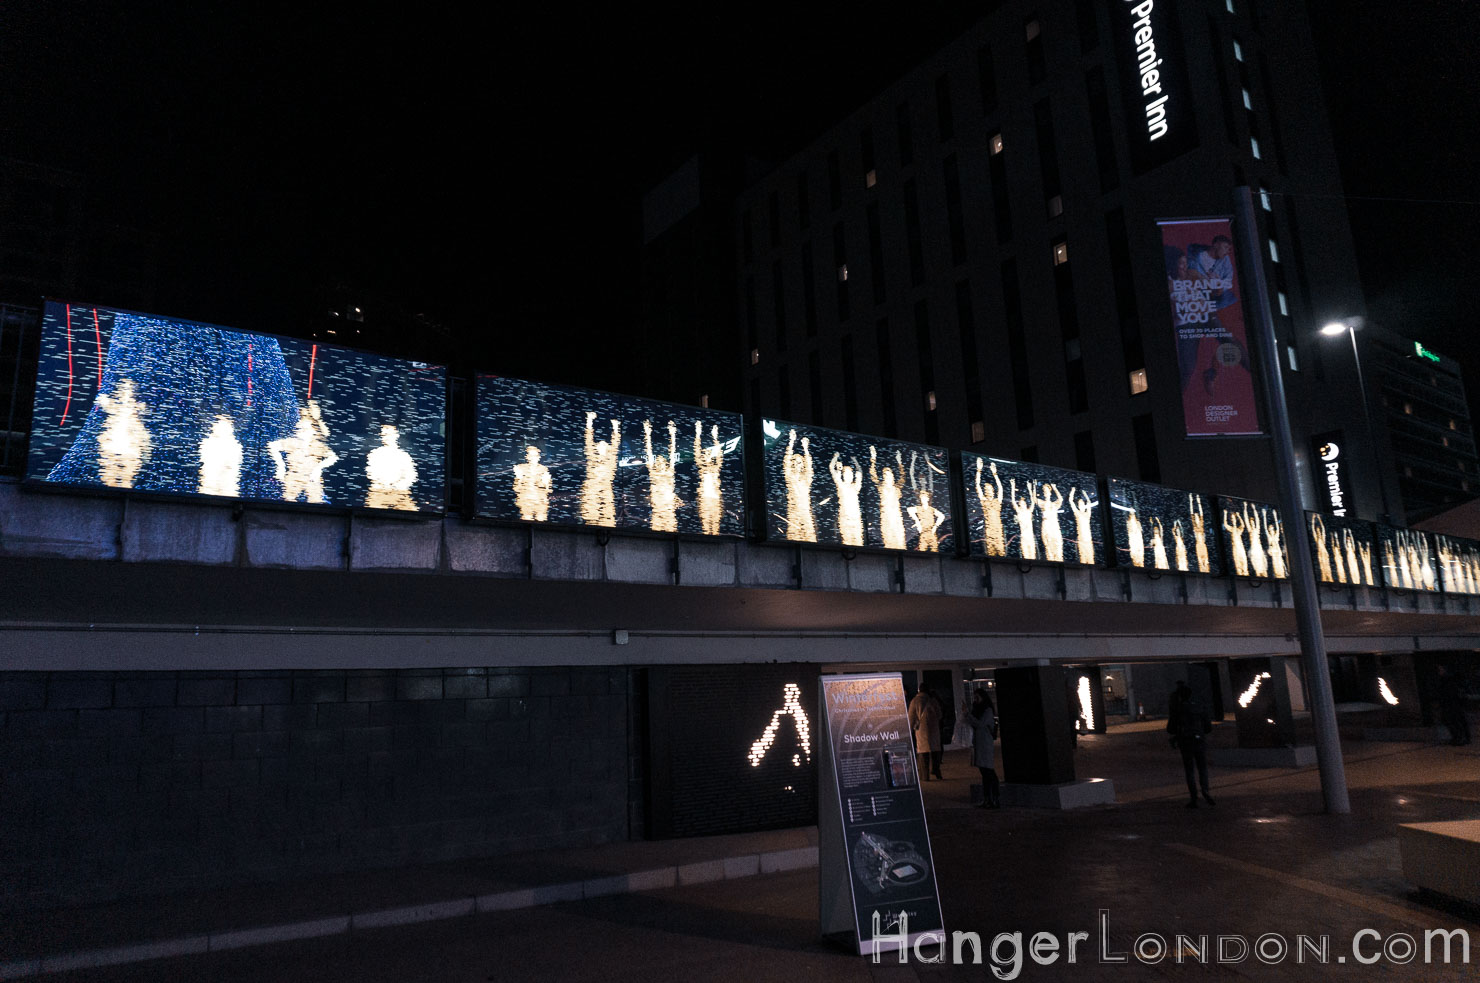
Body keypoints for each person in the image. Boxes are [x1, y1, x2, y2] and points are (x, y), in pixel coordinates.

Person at [1167, 681, 1215, 807]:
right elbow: (1208, 727)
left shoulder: (1178, 709)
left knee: (1189, 770)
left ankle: (1194, 797)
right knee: (1202, 767)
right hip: (1199, 740)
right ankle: (1205, 790)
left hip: (1185, 741)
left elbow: (1170, 728)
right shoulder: (1199, 707)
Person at [966, 690, 1000, 808]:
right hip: (979, 743)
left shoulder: (987, 710)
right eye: (974, 697)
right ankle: (988, 799)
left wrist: (968, 715)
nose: (975, 700)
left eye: (977, 697)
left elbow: (980, 724)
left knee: (988, 771)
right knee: (985, 772)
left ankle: (994, 798)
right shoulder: (978, 709)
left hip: (985, 743)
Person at [908, 684, 944, 780]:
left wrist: (910, 729)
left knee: (923, 753)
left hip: (921, 729)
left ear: (919, 690)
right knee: (935, 751)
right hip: (934, 728)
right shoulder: (933, 700)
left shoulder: (914, 701)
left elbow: (911, 717)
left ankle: (925, 776)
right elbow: (940, 715)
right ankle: (936, 770)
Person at [1437, 664, 1472, 747]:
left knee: (1455, 721)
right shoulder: (1448, 680)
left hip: (1452, 704)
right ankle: (1460, 737)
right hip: (1453, 704)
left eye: (1441, 669)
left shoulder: (1448, 680)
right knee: (1456, 721)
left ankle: (1460, 737)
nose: (1439, 672)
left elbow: (1450, 693)